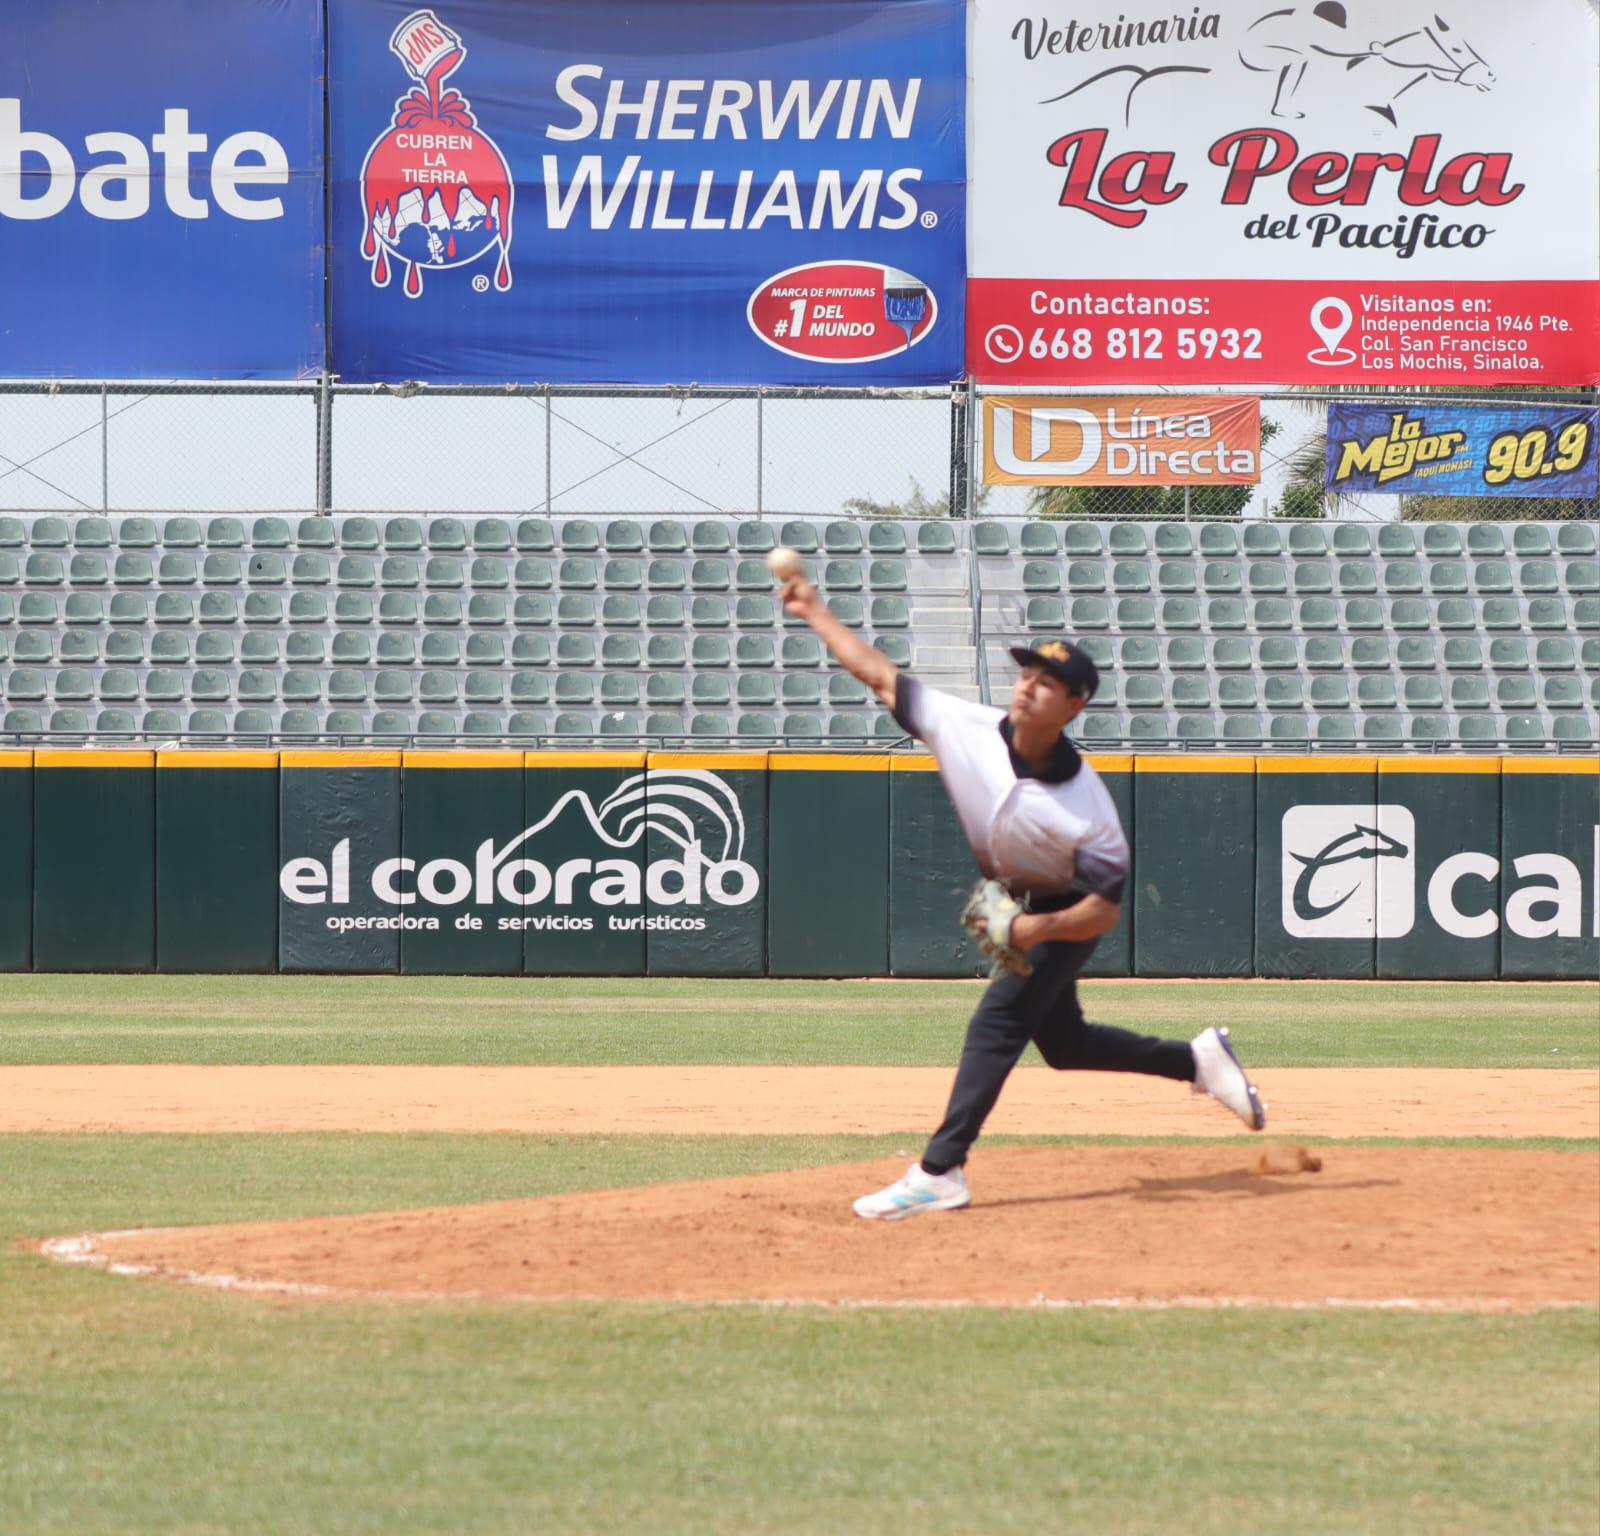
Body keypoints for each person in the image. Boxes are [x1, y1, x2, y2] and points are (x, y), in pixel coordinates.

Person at [779, 569, 1267, 1221]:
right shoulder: (965, 726)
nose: (1029, 687)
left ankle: (940, 1170)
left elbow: (1105, 909)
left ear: (1074, 707)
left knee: (998, 1022)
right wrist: (814, 609)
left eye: (1048, 683)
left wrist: (1030, 934)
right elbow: (878, 674)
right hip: (1019, 902)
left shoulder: (1086, 808)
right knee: (1065, 1046)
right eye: (1026, 675)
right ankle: (1197, 1061)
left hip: (1064, 915)